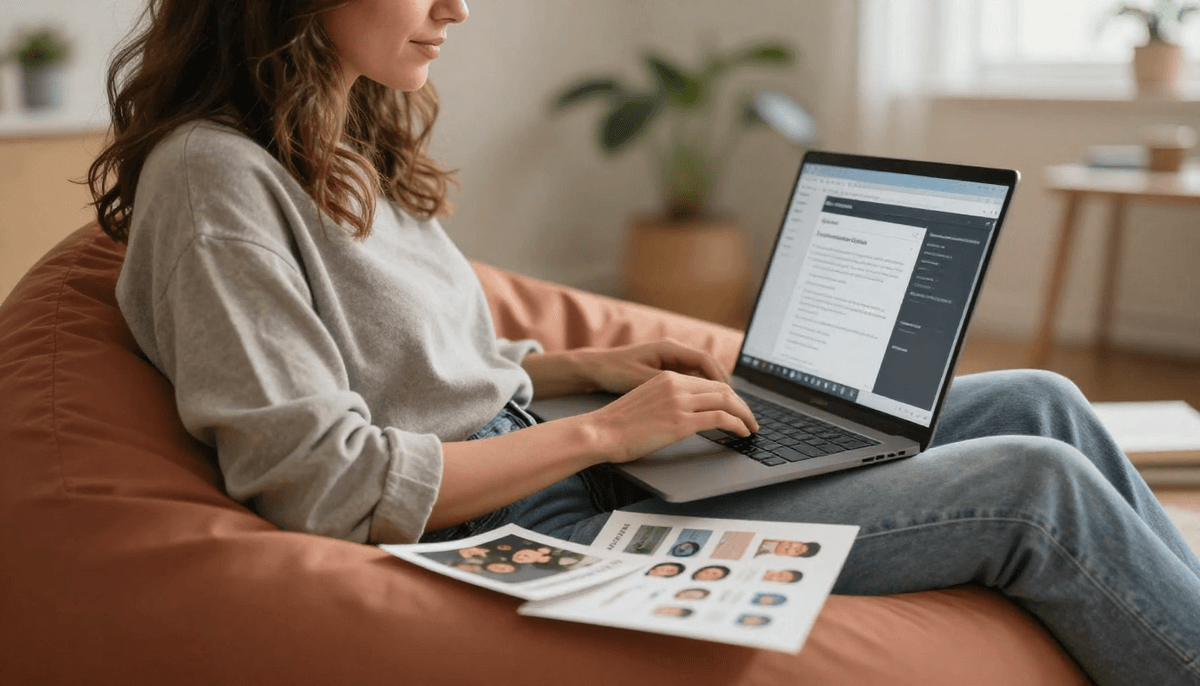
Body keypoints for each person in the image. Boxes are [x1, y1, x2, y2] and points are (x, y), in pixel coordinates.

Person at [87, 1, 1200, 684]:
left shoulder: (342, 138)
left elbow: (415, 371)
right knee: (1036, 488)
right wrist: (608, 433)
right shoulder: (213, 179)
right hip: (527, 519)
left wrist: (583, 372)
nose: (458, 9)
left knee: (1043, 395)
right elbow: (320, 482)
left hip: (562, 446)